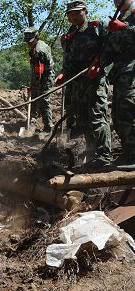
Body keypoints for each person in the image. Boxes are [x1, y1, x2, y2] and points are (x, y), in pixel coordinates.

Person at [56, 0, 111, 168]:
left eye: (76, 13)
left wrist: (100, 64)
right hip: (78, 83)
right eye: (70, 14)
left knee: (97, 117)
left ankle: (104, 156)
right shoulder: (70, 34)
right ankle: (93, 152)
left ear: (85, 12)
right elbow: (69, 60)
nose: (73, 16)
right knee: (83, 119)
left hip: (95, 81)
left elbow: (110, 49)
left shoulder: (97, 27)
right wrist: (63, 73)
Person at [97, 0, 135, 167]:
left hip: (132, 72)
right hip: (120, 74)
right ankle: (129, 154)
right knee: (119, 116)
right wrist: (99, 64)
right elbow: (111, 49)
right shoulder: (117, 19)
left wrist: (124, 28)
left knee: (130, 111)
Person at [24, 27, 55, 133]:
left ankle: (48, 127)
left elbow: (39, 72)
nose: (28, 43)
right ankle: (33, 121)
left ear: (36, 37)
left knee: (44, 100)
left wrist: (34, 85)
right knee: (35, 98)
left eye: (30, 40)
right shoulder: (38, 45)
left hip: (45, 77)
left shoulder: (38, 50)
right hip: (42, 75)